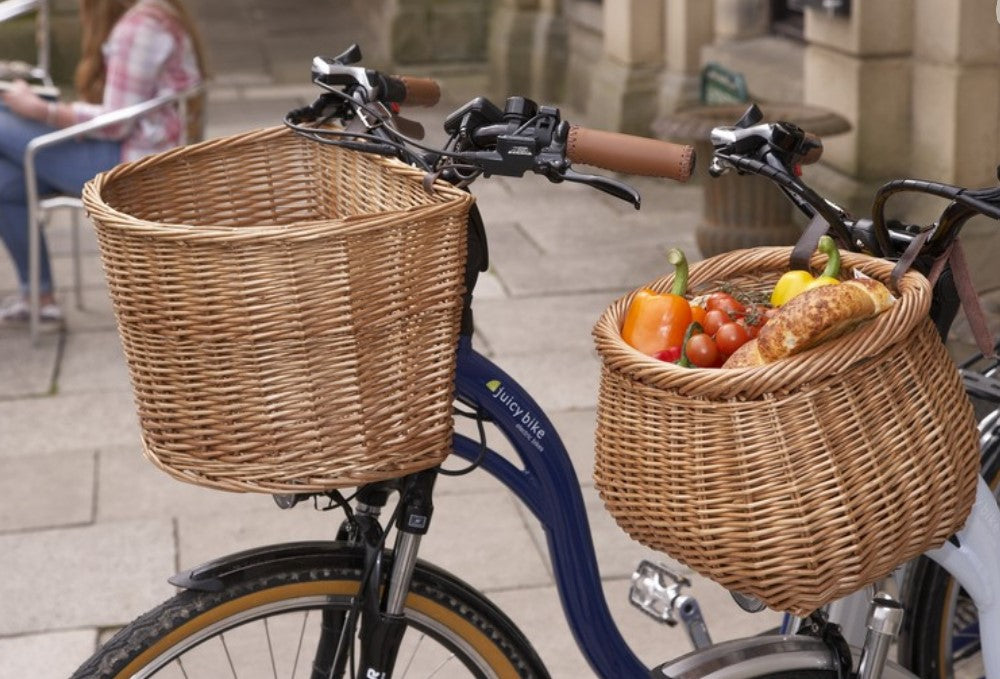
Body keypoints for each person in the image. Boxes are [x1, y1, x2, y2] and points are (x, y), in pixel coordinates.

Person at [0, 0, 206, 328]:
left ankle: (38, 295)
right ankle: (39, 299)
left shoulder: (139, 27)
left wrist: (42, 110)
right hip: (140, 151)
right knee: (4, 180)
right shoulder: (154, 14)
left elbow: (115, 124)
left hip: (135, 166)